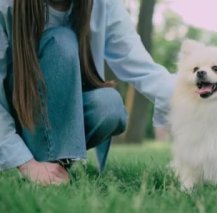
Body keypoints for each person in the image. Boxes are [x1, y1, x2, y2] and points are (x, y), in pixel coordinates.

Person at [0, 0, 175, 185]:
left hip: (65, 117)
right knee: (62, 41)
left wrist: (195, 99)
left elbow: (141, 65)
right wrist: (25, 162)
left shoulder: (103, 4)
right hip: (22, 117)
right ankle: (45, 165)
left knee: (110, 105)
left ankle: (57, 165)